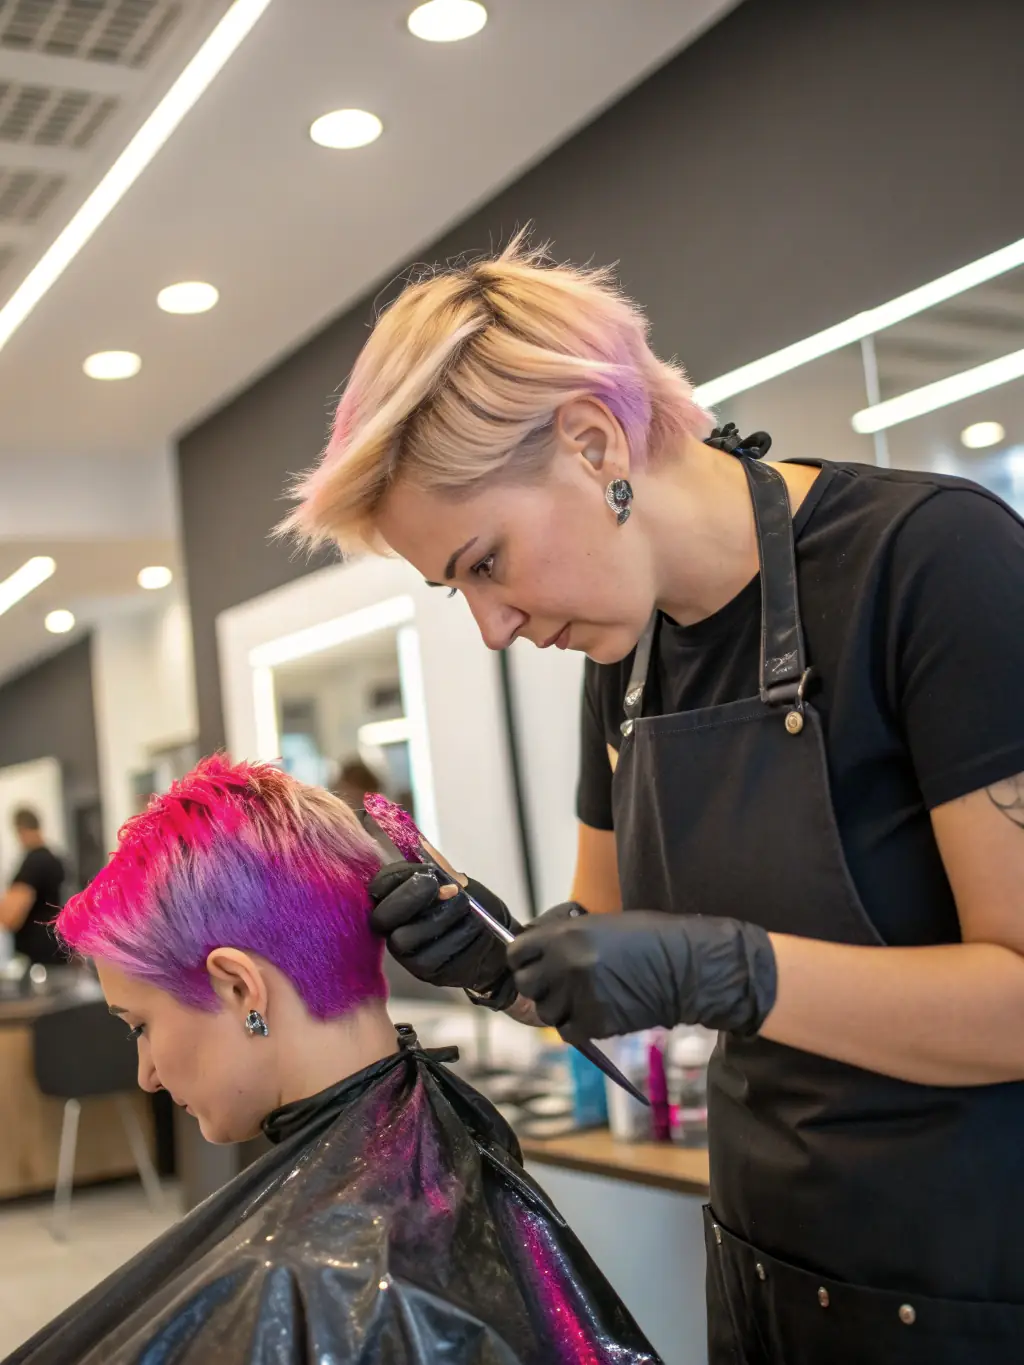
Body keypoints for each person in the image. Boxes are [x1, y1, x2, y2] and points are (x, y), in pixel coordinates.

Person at [283, 235, 1024, 1364]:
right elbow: (610, 959)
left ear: (593, 442)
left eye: (487, 563)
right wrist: (503, 960)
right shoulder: (624, 668)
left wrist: (728, 967)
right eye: (454, 589)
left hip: (974, 1289)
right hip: (765, 1270)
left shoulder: (930, 565)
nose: (492, 627)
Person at [12, 755, 658, 1365]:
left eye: (141, 1027)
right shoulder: (416, 1166)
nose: (146, 1073)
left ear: (240, 986)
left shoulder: (308, 1279)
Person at [0, 807, 66, 965]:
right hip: (57, 949)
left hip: (37, 959)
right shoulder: (55, 859)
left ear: (21, 830)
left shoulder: (33, 863)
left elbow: (9, 917)